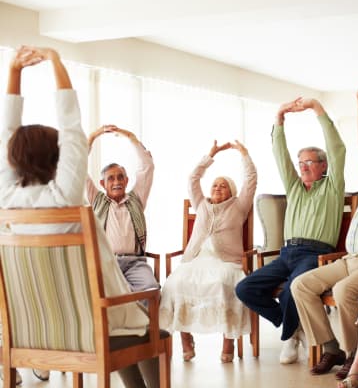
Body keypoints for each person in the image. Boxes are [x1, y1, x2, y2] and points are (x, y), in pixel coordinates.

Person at [0, 45, 159, 388]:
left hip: (30, 331)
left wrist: (14, 70)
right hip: (90, 326)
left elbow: (6, 133)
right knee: (150, 328)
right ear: (57, 160)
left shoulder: (5, 201)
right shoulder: (65, 195)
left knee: (128, 323)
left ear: (11, 159)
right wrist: (56, 62)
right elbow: (71, 126)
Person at [291, 82, 358, 382]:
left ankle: (355, 355)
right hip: (350, 258)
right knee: (300, 285)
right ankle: (332, 347)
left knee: (343, 292)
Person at [235, 98, 345, 365]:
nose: (303, 166)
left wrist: (318, 109)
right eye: (301, 162)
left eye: (309, 162)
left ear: (323, 166)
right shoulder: (295, 187)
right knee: (245, 288)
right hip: (287, 253)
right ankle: (293, 328)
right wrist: (279, 117)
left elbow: (337, 148)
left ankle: (288, 338)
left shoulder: (333, 187)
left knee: (292, 290)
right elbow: (279, 154)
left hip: (315, 253)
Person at [159, 139, 257, 362]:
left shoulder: (239, 206)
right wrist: (210, 155)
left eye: (223, 185)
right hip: (196, 259)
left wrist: (244, 153)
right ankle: (186, 340)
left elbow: (251, 180)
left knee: (223, 285)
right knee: (175, 284)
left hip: (226, 262)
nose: (217, 187)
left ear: (231, 191)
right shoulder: (201, 204)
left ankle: (228, 342)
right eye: (215, 184)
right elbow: (193, 178)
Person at [86, 125, 159, 295]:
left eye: (120, 177)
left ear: (126, 181)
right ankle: (117, 322)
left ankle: (141, 322)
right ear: (103, 184)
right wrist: (94, 137)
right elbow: (78, 167)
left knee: (151, 289)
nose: (116, 181)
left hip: (135, 263)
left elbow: (147, 166)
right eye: (111, 178)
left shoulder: (137, 199)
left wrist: (130, 136)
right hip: (106, 262)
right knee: (99, 292)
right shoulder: (97, 200)